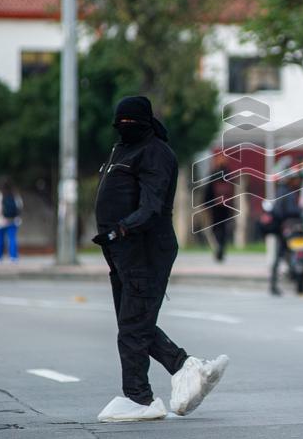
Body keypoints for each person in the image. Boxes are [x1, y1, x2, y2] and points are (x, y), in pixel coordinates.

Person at [94, 96, 228, 422]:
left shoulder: (156, 152)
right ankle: (187, 367)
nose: (124, 128)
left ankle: (140, 398)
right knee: (135, 323)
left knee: (131, 327)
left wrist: (123, 229)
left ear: (143, 122)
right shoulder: (120, 149)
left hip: (145, 249)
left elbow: (152, 205)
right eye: (120, 124)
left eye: (130, 124)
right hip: (121, 251)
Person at [264, 173, 303, 295]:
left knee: (289, 255)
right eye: (296, 179)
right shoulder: (286, 192)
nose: (297, 182)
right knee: (287, 256)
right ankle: (277, 283)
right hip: (287, 229)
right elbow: (285, 211)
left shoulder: (285, 191)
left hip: (287, 229)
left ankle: (282, 282)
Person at [203, 152, 234, 262]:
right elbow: (232, 192)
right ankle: (221, 248)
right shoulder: (229, 174)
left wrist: (206, 203)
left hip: (215, 206)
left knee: (215, 228)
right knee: (224, 229)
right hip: (226, 206)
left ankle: (219, 248)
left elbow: (208, 190)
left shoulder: (214, 174)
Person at [0, 180, 23, 262]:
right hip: (13, 221)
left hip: (1, 221)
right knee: (12, 239)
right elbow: (20, 206)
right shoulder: (14, 194)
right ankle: (13, 256)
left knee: (0, 239)